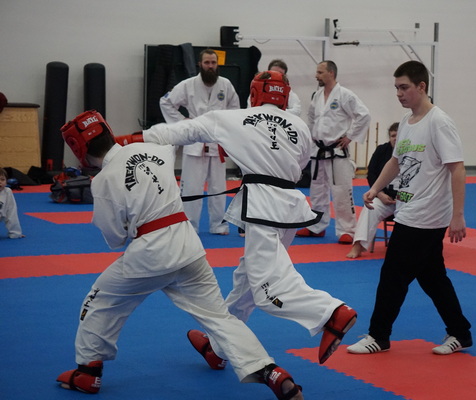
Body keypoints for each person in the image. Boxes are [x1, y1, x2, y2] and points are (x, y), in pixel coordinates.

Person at [56, 110, 303, 400]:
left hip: (149, 255)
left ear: (79, 149)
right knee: (220, 318)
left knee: (100, 301)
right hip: (189, 248)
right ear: (109, 131)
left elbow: (114, 238)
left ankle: (88, 371)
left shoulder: (103, 182)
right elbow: (171, 146)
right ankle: (271, 371)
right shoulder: (154, 148)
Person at [119, 71, 357, 367]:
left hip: (263, 208)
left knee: (267, 290)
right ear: (284, 96)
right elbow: (299, 163)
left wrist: (129, 141)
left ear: (254, 94)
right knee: (245, 282)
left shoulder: (234, 118)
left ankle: (331, 312)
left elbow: (181, 131)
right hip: (290, 207)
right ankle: (219, 346)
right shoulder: (299, 125)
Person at [347, 60, 472, 356]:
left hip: (426, 214)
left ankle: (379, 335)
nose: (399, 94)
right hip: (407, 207)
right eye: (396, 88)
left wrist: (458, 215)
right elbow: (395, 161)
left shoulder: (439, 122)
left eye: (404, 87)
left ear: (421, 86)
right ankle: (460, 332)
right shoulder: (406, 121)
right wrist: (375, 188)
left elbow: (457, 168)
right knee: (432, 278)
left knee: (393, 275)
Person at [160, 48, 239, 235]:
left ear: (217, 64)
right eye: (207, 63)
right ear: (200, 64)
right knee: (191, 188)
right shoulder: (187, 85)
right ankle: (190, 226)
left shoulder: (226, 84)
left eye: (213, 63)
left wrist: (226, 129)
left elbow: (235, 109)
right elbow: (166, 102)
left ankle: (218, 225)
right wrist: (183, 122)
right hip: (194, 142)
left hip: (217, 142)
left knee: (218, 188)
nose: (210, 66)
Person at [296, 60, 371, 244]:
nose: (316, 76)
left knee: (341, 191)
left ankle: (347, 230)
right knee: (317, 192)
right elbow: (311, 117)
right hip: (318, 150)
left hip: (337, 151)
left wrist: (350, 136)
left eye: (320, 72)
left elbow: (364, 115)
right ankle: (316, 226)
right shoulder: (317, 95)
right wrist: (312, 136)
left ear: (331, 73)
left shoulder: (345, 95)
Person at [346, 123, 399, 259]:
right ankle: (358, 246)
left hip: (406, 201)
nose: (395, 138)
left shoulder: (414, 152)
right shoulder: (382, 150)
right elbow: (372, 174)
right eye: (393, 135)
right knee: (370, 208)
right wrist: (380, 194)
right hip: (384, 198)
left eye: (398, 135)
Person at [0, 167, 25, 239]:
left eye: (2, 179)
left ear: (6, 181)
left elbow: (11, 213)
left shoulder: (7, 192)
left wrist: (15, 233)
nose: (0, 182)